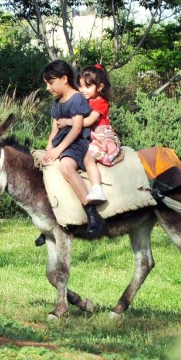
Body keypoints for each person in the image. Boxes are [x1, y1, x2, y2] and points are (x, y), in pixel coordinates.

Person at [39, 60, 106, 243]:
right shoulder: (56, 103)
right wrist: (49, 148)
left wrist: (59, 149)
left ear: (64, 78)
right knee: (44, 170)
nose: (48, 88)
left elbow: (76, 129)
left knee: (67, 166)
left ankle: (92, 214)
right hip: (62, 143)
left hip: (77, 144)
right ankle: (51, 221)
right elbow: (54, 130)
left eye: (50, 82)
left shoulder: (76, 99)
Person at [56, 64, 122, 203]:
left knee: (88, 158)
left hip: (102, 136)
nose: (82, 90)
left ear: (99, 87)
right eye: (80, 86)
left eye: (87, 86)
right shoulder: (87, 101)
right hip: (93, 136)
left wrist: (68, 122)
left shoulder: (100, 102)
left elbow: (89, 121)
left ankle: (97, 189)